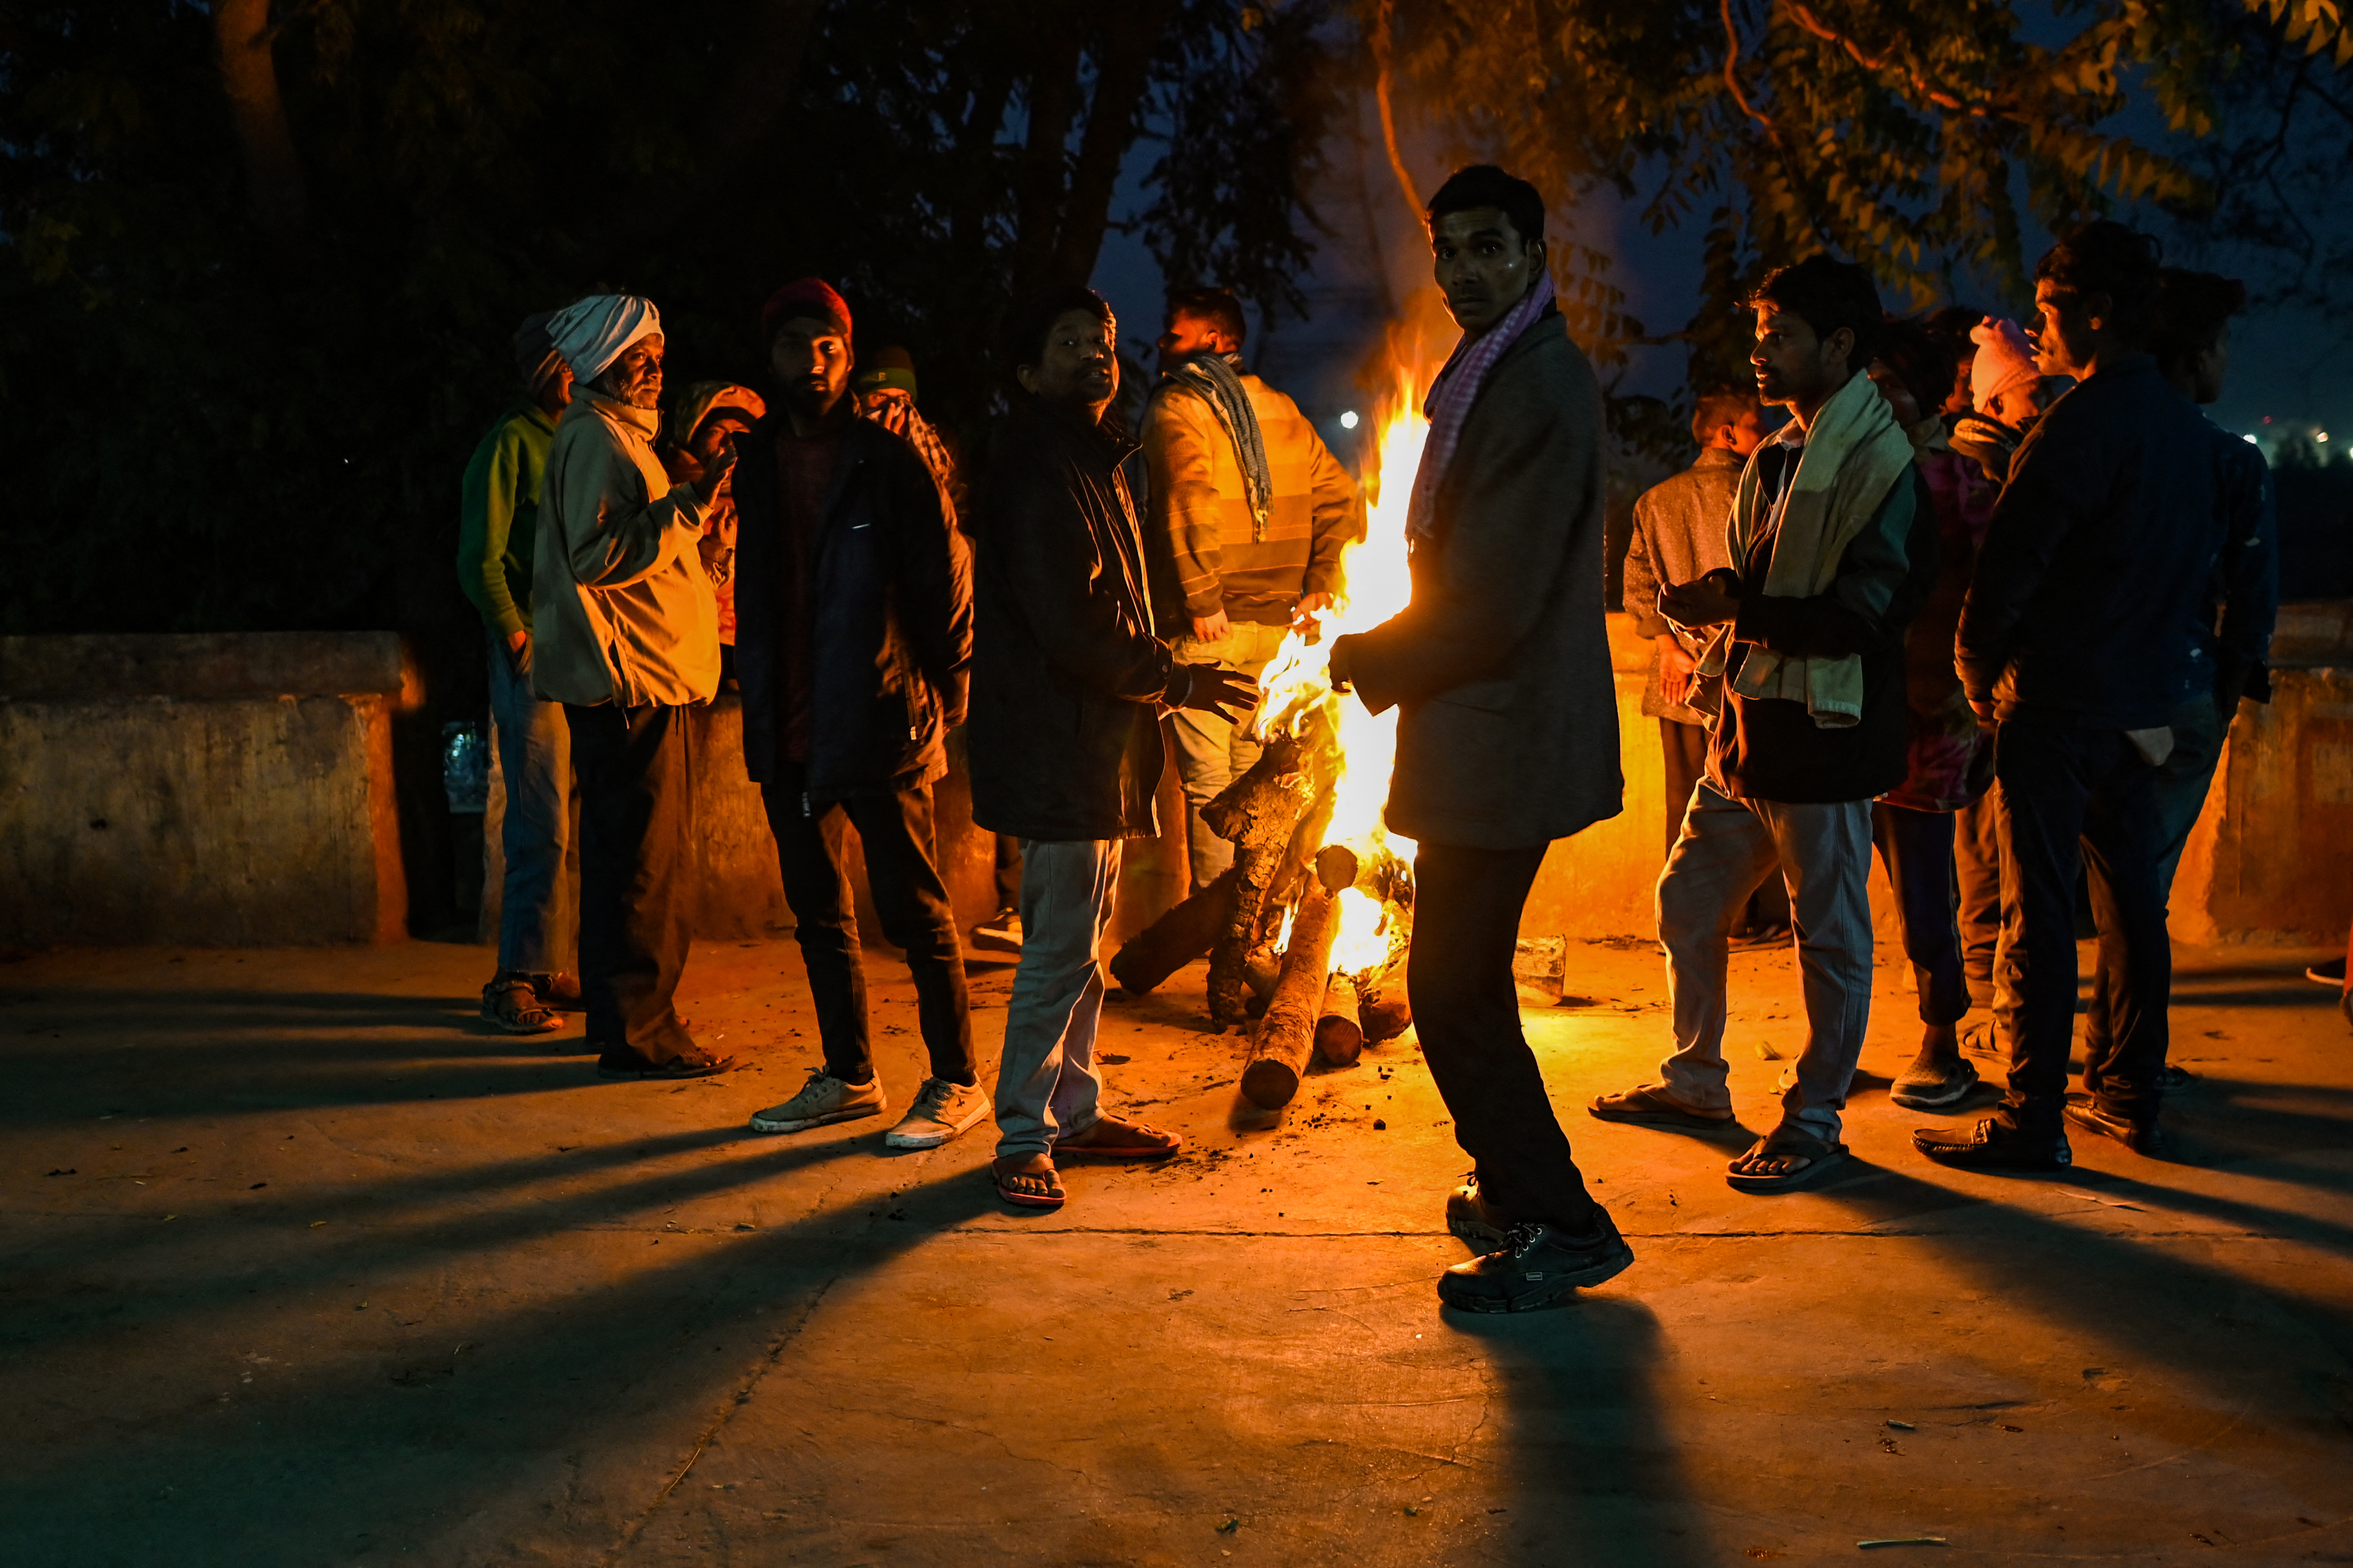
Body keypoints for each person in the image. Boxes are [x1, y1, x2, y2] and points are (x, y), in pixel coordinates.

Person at [1323, 165, 1632, 1313]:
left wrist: (1371, 656)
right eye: (1446, 251)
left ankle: (1560, 1222)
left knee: (1452, 990)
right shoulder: (1489, 366)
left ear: (1532, 252)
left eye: (1485, 248)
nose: (1461, 272)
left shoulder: (1537, 381)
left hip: (1499, 736)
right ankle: (1511, 1190)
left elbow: (1491, 598)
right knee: (1457, 982)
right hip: (1482, 731)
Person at [1591, 255, 1937, 1195]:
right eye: (1757, 333)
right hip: (1747, 732)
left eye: (1777, 334)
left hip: (1824, 736)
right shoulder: (1779, 458)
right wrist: (1726, 612)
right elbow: (1771, 598)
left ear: (1836, 344)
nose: (1757, 352)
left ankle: (1814, 1114)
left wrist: (1733, 605)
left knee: (1829, 937)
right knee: (1687, 902)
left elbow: (1863, 615)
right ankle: (1696, 1080)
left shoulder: (1881, 466)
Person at [1919, 222, 2239, 1169]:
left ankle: (2031, 1118)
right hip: (2144, 701)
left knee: (2041, 912)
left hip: (2055, 705)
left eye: (2050, 311)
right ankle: (2129, 1093)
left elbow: (2006, 578)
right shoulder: (2195, 437)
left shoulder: (2076, 427)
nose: (2037, 327)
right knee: (2133, 901)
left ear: (2096, 316)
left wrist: (1977, 680)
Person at [967, 285, 1257, 1209]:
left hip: (1088, 743)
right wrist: (1171, 676)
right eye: (1068, 342)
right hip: (1057, 745)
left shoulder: (1088, 457)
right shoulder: (1033, 464)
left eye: (1101, 340)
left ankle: (1076, 1113)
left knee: (1082, 944)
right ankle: (1022, 1133)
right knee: (1057, 945)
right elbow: (1072, 620)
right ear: (1026, 370)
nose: (1097, 354)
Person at [725, 279, 988, 1151]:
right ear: (770, 361)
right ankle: (849, 1075)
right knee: (819, 912)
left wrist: (950, 678)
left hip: (877, 712)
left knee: (915, 910)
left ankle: (957, 1081)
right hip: (786, 720)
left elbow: (942, 571)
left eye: (831, 345)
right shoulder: (756, 460)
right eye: (799, 345)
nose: (816, 361)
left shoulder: (885, 456)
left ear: (849, 353)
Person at [2075, 268, 2277, 1098]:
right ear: (2193, 358)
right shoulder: (2225, 461)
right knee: (2139, 894)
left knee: (2114, 891)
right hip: (2179, 694)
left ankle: (2110, 1057)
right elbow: (2251, 597)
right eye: (2222, 346)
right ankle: (2127, 1073)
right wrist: (2222, 695)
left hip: (2096, 695)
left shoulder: (2096, 445)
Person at [532, 293, 734, 1081]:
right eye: (634, 356)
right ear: (597, 363)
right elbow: (595, 556)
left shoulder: (617, 436)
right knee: (643, 869)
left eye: (655, 353)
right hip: (633, 685)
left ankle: (633, 1024)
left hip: (650, 682)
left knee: (638, 863)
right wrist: (688, 504)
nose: (651, 367)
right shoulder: (594, 438)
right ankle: (640, 1033)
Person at [1142, 285, 1359, 893]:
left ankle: (1218, 933)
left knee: (1213, 791)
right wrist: (1320, 582)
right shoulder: (1284, 411)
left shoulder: (1178, 408)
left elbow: (1187, 502)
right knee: (1252, 789)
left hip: (1208, 631)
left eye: (1175, 335)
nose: (1162, 345)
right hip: (1277, 638)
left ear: (1217, 341)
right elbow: (1342, 500)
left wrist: (1201, 598)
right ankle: (1252, 925)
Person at [1862, 318, 1999, 1107]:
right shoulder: (1848, 466)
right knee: (1841, 879)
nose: (1873, 396)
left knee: (1923, 883)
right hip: (1855, 706)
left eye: (1886, 383)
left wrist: (1972, 700)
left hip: (1930, 707)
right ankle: (1837, 1038)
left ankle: (1939, 1037)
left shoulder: (1956, 478)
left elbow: (1991, 591)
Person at [1620, 387, 1790, 945]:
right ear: (1725, 435)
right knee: (1760, 794)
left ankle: (1695, 918)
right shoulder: (1766, 493)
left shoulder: (1655, 500)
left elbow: (1638, 592)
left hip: (1680, 678)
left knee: (1689, 801)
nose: (1763, 430)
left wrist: (1669, 647)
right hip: (1753, 674)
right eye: (1751, 424)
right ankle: (1764, 917)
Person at [458, 310, 582, 1035]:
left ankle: (549, 965)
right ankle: (511, 978)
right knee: (538, 822)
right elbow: (479, 558)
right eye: (568, 364)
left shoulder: (571, 440)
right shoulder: (509, 443)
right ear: (544, 371)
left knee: (566, 822)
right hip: (534, 655)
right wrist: (516, 636)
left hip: (579, 654)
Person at [657, 383, 766, 680]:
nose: (730, 443)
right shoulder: (662, 492)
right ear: (693, 433)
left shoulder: (770, 497)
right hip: (676, 655)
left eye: (742, 433)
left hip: (755, 653)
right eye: (717, 430)